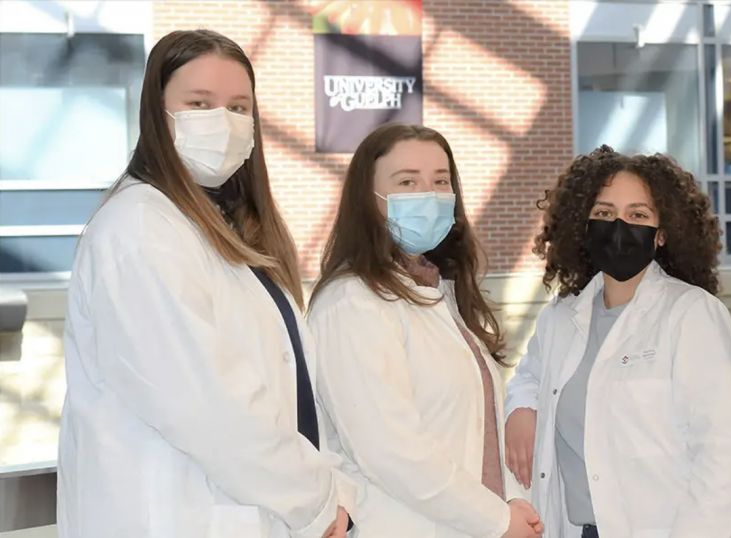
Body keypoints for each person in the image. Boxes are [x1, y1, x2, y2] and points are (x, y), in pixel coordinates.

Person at [58, 30, 353, 537]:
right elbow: (209, 405)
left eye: (239, 107)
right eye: (200, 103)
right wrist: (316, 499)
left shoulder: (224, 226)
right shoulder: (139, 231)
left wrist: (324, 492)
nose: (225, 122)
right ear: (157, 112)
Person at [503, 147, 731, 538]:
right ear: (583, 224)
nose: (619, 226)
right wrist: (521, 407)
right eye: (605, 213)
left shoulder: (691, 314)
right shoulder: (561, 317)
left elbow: (730, 457)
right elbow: (530, 376)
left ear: (661, 235)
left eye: (637, 215)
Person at [306, 123, 543, 538]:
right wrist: (497, 520)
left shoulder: (442, 293)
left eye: (440, 181)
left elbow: (477, 428)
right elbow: (390, 449)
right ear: (368, 197)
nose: (428, 195)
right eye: (407, 182)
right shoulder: (351, 302)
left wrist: (510, 498)